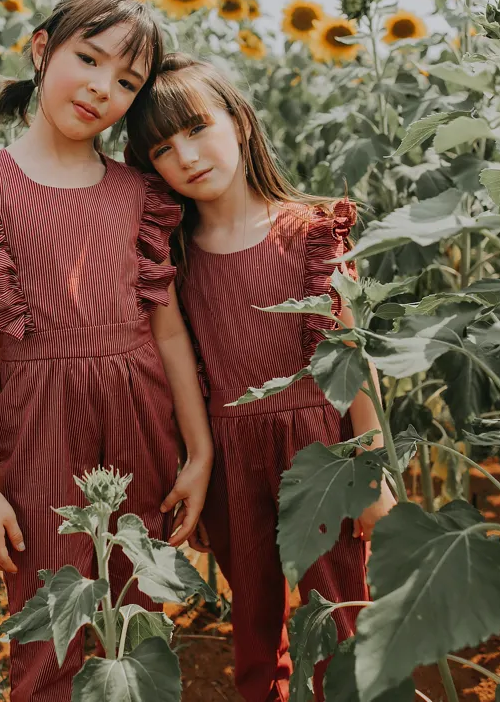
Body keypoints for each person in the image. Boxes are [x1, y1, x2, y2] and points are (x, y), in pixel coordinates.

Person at [0, 0, 213, 701]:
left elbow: (169, 330)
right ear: (41, 48)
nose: (100, 89)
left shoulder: (138, 193)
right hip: (38, 425)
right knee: (48, 625)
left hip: (139, 416)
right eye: (88, 59)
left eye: (126, 81)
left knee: (139, 614)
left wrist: (199, 447)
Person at [125, 52, 396, 702]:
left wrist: (376, 468)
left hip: (323, 456)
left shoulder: (310, 235)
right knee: (254, 633)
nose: (186, 155)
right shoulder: (174, 257)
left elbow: (354, 360)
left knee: (342, 620)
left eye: (197, 127)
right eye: (163, 148)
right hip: (232, 463)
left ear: (239, 123)